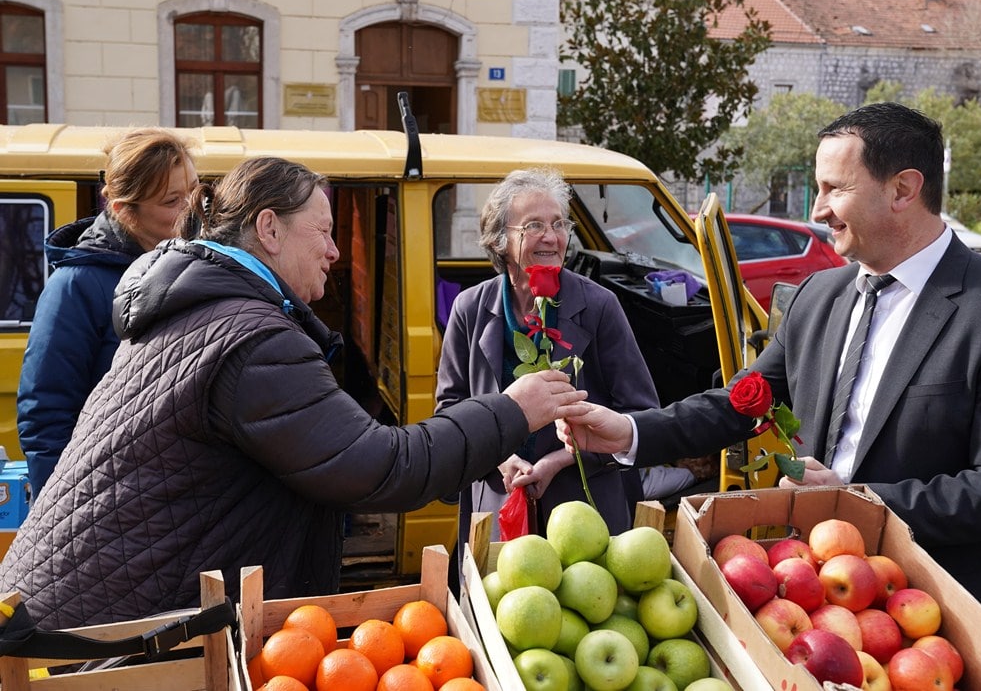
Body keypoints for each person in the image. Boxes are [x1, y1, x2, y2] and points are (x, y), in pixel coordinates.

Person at [0, 156, 586, 630]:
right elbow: (378, 466)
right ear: (269, 229)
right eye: (324, 232)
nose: (335, 251)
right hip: (98, 641)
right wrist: (511, 410)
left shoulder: (206, 311)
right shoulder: (251, 338)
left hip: (75, 612)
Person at [558, 102, 981, 617]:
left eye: (835, 189)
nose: (817, 210)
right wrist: (630, 432)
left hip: (939, 609)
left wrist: (855, 501)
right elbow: (739, 404)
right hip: (810, 594)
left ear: (903, 189)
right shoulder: (819, 296)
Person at [435, 167, 670, 554]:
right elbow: (450, 410)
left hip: (585, 508)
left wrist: (560, 460)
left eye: (559, 224)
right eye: (534, 225)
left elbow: (640, 413)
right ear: (500, 240)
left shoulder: (599, 306)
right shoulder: (469, 309)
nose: (551, 236)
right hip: (498, 505)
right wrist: (499, 458)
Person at [16, 128, 199, 496]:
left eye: (196, 190)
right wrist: (64, 507)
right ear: (123, 211)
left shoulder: (196, 264)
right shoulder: (76, 286)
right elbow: (46, 414)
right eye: (172, 201)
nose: (193, 208)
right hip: (111, 498)